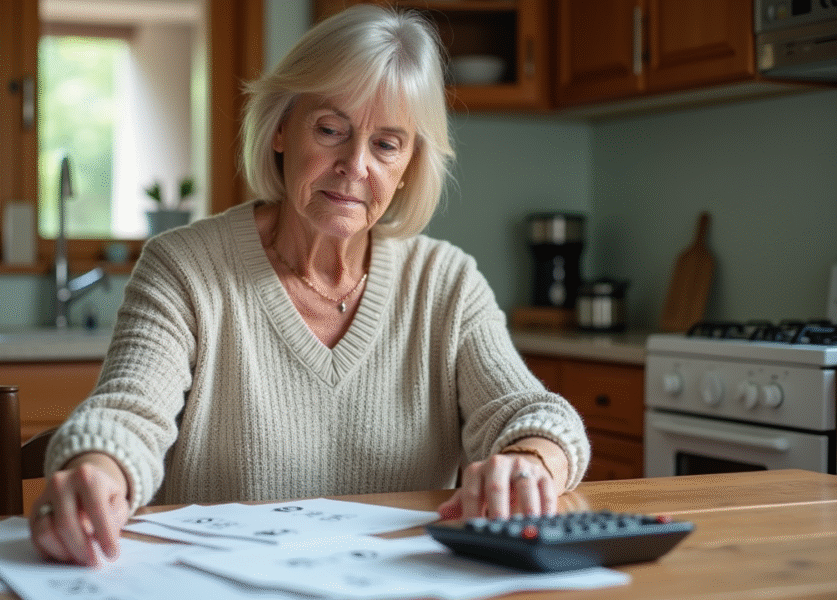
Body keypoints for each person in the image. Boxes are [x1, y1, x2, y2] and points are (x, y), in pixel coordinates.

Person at [30, 4, 590, 567]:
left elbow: (534, 413)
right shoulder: (184, 266)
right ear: (280, 129)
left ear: (409, 166)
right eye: (330, 130)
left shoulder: (446, 282)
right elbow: (131, 413)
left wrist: (531, 460)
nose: (356, 165)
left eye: (387, 145)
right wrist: (98, 468)